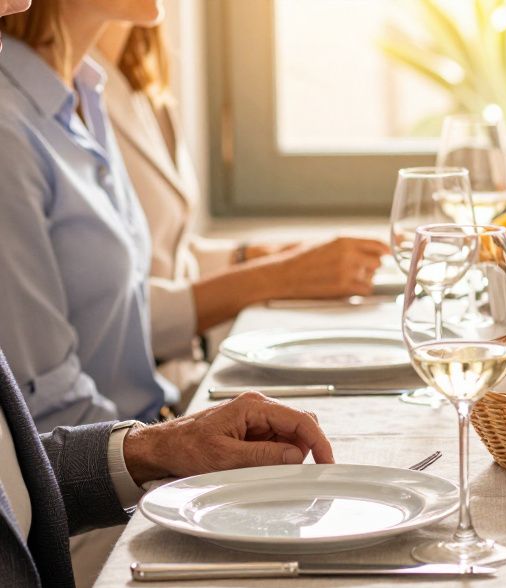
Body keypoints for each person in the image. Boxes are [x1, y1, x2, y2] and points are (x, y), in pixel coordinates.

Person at [0, 0, 386, 433]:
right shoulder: (11, 130)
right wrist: (169, 451)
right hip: (108, 469)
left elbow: (113, 301)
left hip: (144, 427)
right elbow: (49, 405)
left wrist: (256, 256)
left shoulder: (83, 92)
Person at [91, 21, 389, 398]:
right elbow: (99, 311)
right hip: (129, 404)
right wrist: (279, 276)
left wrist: (252, 255)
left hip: (175, 385)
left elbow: (157, 247)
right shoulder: (61, 91)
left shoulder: (135, 75)